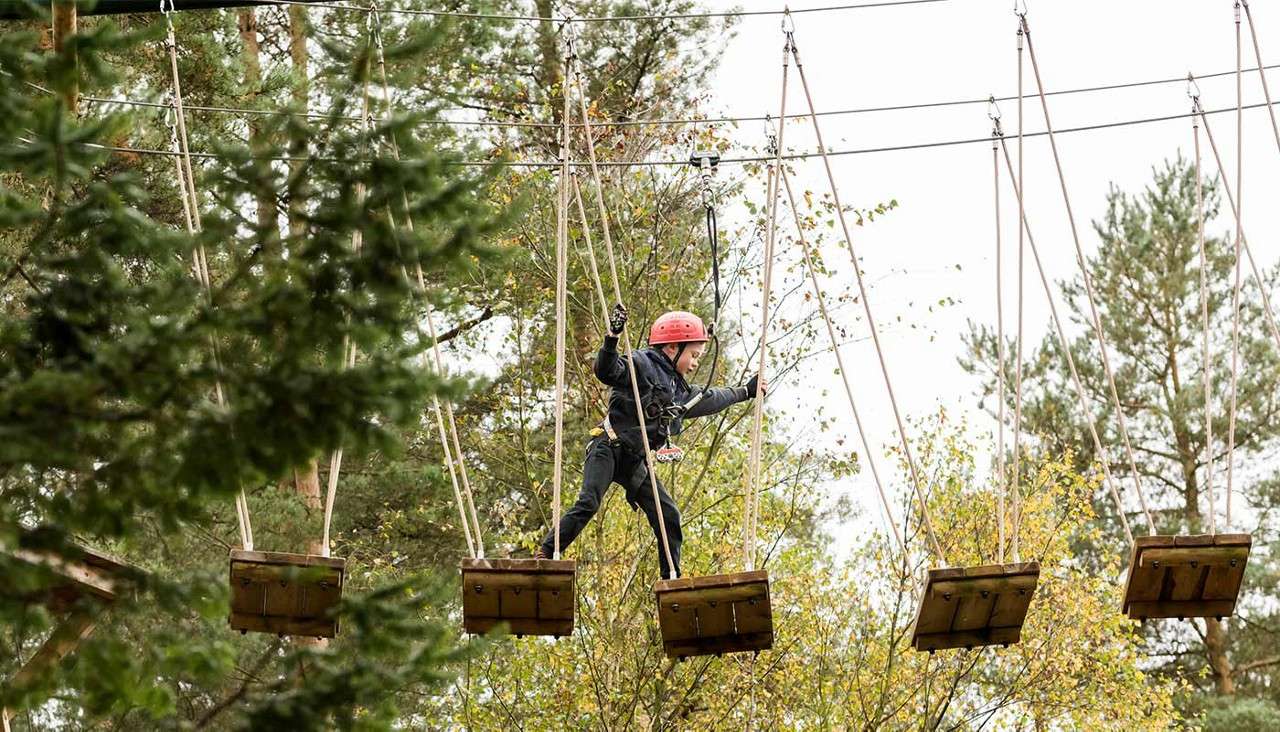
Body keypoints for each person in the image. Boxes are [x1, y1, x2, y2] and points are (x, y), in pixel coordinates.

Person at [535, 304, 767, 579]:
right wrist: (612, 337)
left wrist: (744, 392)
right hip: (608, 446)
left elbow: (710, 398)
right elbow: (607, 371)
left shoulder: (678, 389)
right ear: (672, 348)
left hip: (635, 461)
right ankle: (547, 552)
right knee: (589, 501)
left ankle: (671, 578)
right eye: (693, 355)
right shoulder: (640, 364)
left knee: (668, 516)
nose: (695, 364)